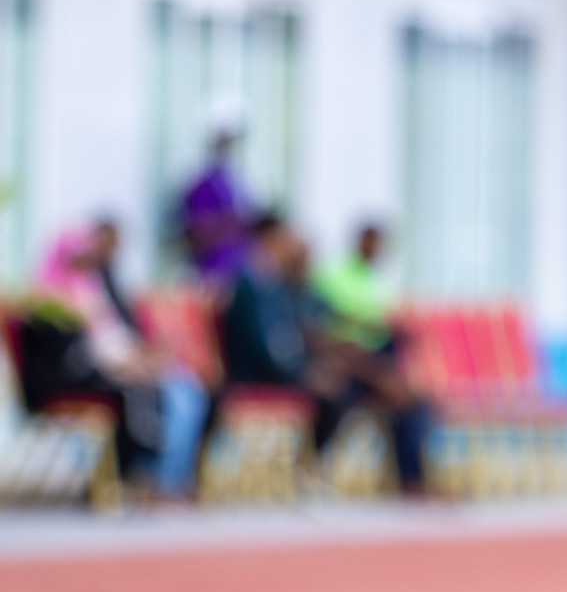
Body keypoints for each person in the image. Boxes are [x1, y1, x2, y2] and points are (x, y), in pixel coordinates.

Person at [222, 213, 430, 493]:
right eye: (293, 245)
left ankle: (411, 479)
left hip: (311, 365)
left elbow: (332, 321)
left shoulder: (295, 287)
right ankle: (308, 470)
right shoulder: (260, 285)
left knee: (401, 392)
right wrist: (309, 371)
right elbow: (280, 345)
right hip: (270, 373)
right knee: (338, 390)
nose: (303, 255)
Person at [30, 219, 210, 498]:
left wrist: (142, 359)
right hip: (75, 378)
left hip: (114, 367)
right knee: (138, 394)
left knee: (183, 386)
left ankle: (164, 477)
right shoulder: (50, 299)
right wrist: (120, 365)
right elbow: (71, 355)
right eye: (78, 258)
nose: (84, 264)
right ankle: (142, 477)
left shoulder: (96, 290)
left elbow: (117, 336)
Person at [180, 128, 254, 288]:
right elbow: (198, 227)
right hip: (210, 267)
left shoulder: (235, 183)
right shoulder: (204, 185)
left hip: (235, 263)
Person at [312, 222, 394, 352]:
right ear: (360, 241)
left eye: (377, 243)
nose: (374, 247)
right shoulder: (335, 272)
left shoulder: (377, 278)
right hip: (346, 345)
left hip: (374, 346)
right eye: (370, 241)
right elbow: (326, 312)